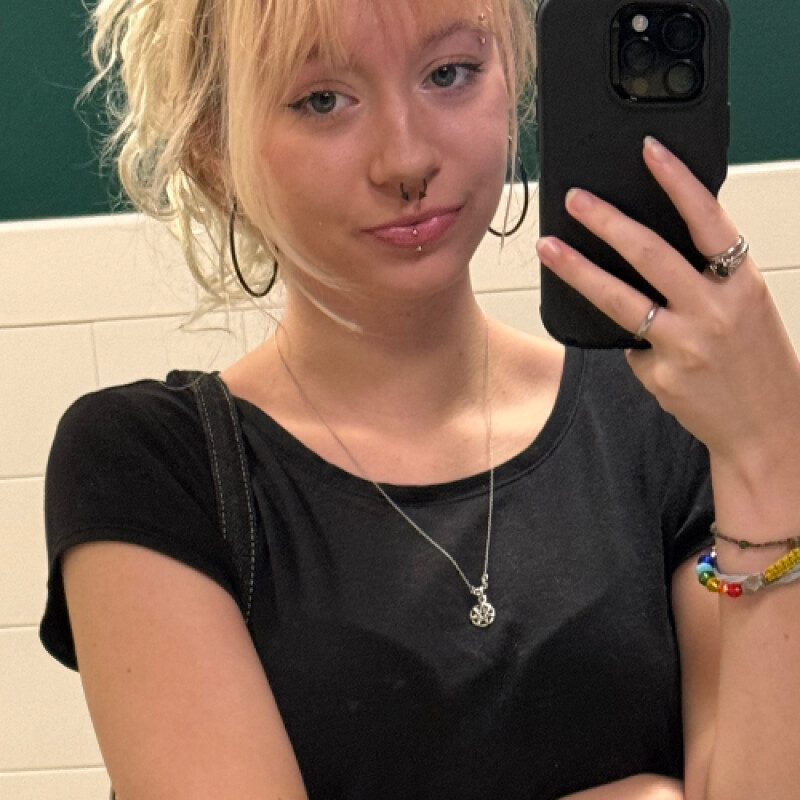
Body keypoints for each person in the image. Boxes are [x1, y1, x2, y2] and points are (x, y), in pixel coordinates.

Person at [39, 0, 800, 798]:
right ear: (212, 149)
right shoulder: (151, 467)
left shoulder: (662, 415)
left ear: (515, 78)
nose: (405, 159)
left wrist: (769, 446)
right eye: (322, 100)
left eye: (450, 74)